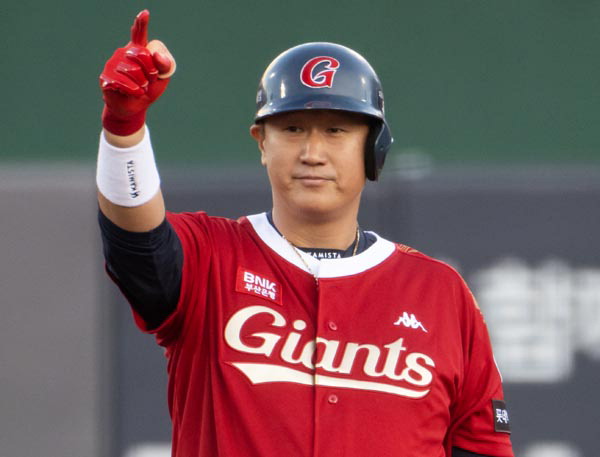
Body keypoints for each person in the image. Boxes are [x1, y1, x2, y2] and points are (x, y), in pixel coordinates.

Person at [97, 10, 514, 457]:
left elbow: (480, 446)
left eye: (336, 130)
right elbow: (135, 238)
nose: (313, 152)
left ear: (373, 146)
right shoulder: (209, 257)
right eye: (293, 129)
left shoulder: (440, 293)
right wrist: (124, 127)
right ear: (262, 142)